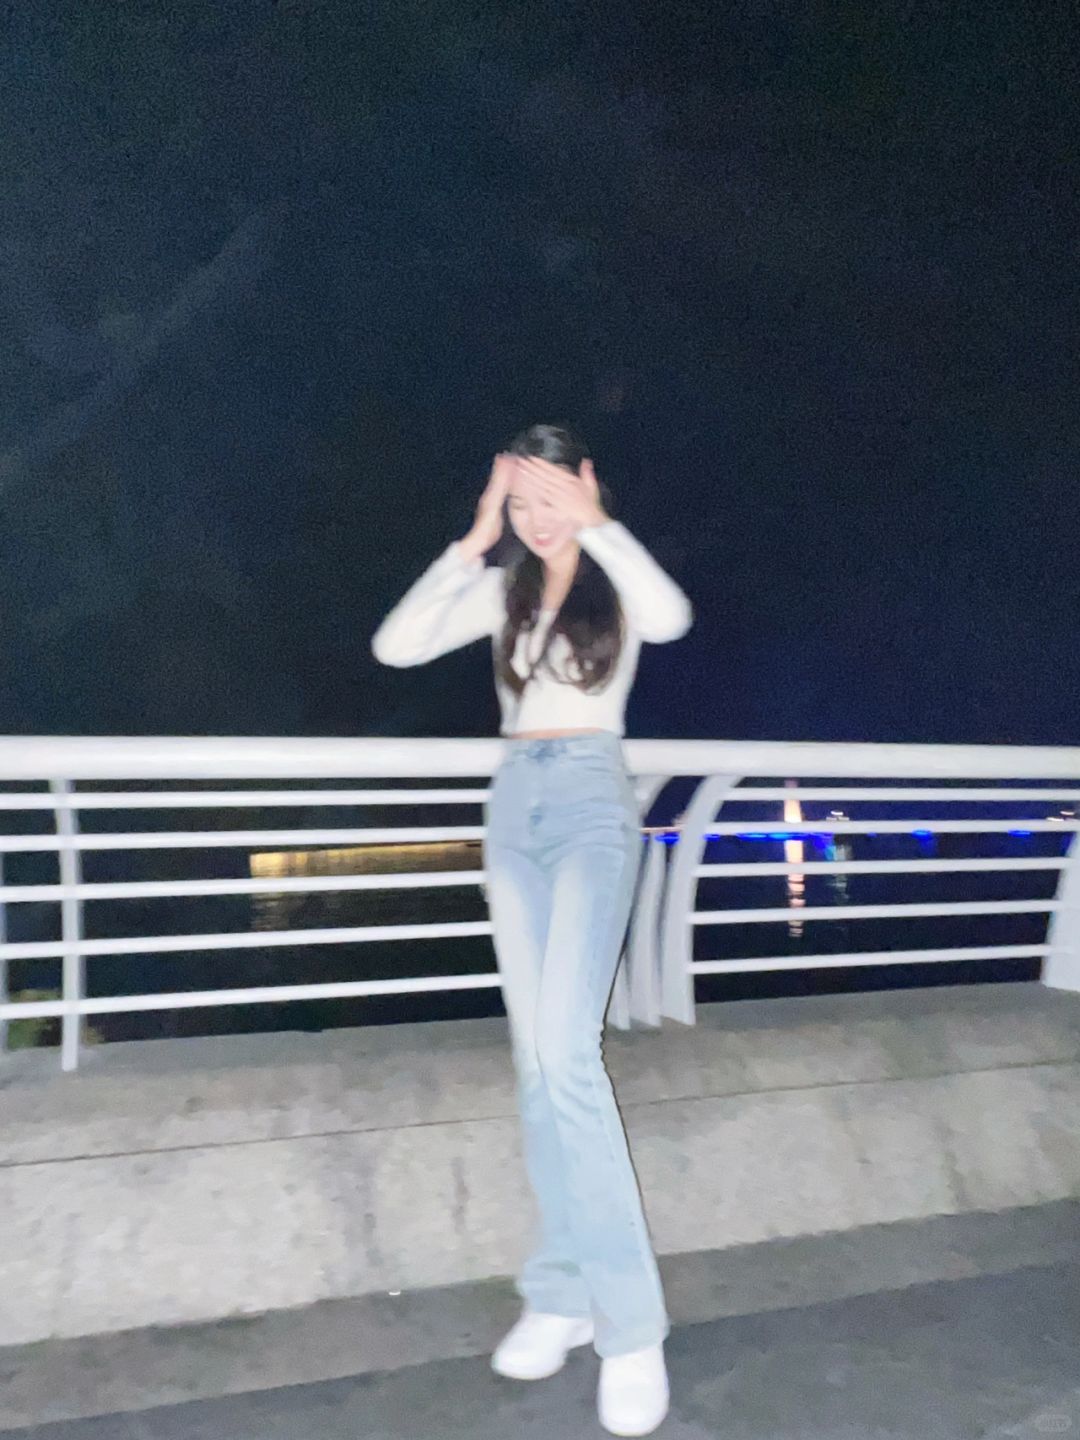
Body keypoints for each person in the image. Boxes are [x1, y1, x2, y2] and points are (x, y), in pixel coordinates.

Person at [371, 423, 693, 1437]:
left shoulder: (614, 583)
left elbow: (671, 618)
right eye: (521, 502)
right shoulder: (501, 590)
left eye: (551, 495)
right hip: (515, 806)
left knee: (567, 1057)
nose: (536, 517)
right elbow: (396, 646)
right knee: (537, 1063)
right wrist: (470, 542)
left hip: (594, 797)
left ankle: (630, 1329)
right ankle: (562, 1292)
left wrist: (602, 529)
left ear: (585, 488)